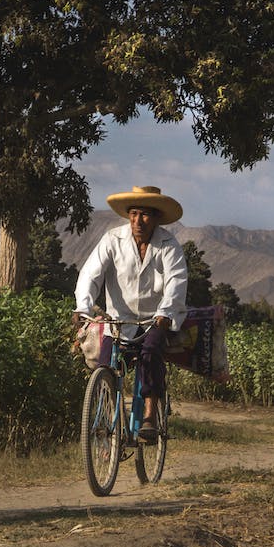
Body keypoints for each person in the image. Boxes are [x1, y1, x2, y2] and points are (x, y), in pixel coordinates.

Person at [73, 185, 188, 442]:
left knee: (150, 354)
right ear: (128, 216)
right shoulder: (112, 240)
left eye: (145, 215)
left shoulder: (169, 245)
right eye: (134, 214)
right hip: (119, 319)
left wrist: (166, 312)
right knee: (105, 363)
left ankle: (149, 417)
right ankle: (109, 419)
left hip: (156, 318)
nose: (138, 220)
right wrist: (83, 306)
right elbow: (90, 275)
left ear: (157, 218)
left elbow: (177, 282)